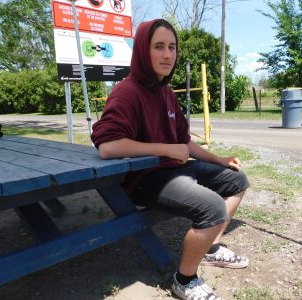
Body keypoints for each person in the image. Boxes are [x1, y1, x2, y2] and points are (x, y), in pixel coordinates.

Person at [91, 19, 249, 300]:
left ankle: (210, 248)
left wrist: (219, 159)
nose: (167, 54)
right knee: (212, 207)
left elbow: (183, 142)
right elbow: (108, 146)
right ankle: (184, 280)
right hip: (143, 178)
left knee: (236, 180)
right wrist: (165, 148)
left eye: (172, 47)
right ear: (142, 50)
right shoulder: (126, 92)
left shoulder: (165, 92)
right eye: (158, 47)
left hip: (172, 169)